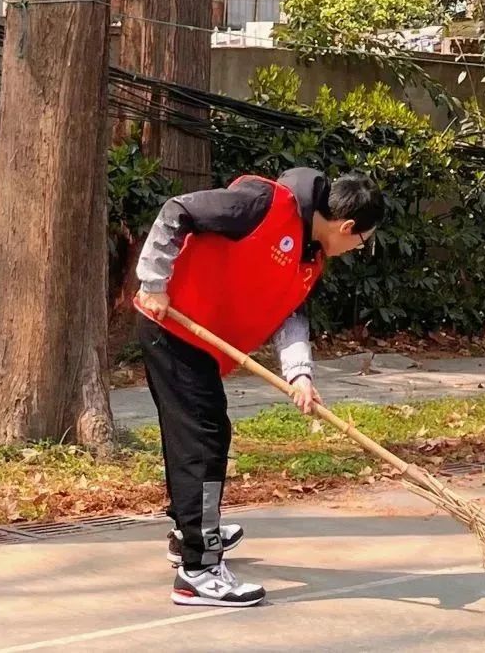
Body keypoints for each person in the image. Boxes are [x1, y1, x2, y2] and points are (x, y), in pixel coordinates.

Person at [134, 167, 384, 608]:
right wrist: (154, 282)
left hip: (202, 345)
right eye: (362, 243)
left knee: (198, 436)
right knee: (203, 440)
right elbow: (178, 210)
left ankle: (191, 531)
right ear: (347, 227)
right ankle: (199, 569)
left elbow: (290, 315)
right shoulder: (262, 204)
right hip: (172, 328)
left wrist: (300, 375)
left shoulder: (309, 256)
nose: (356, 250)